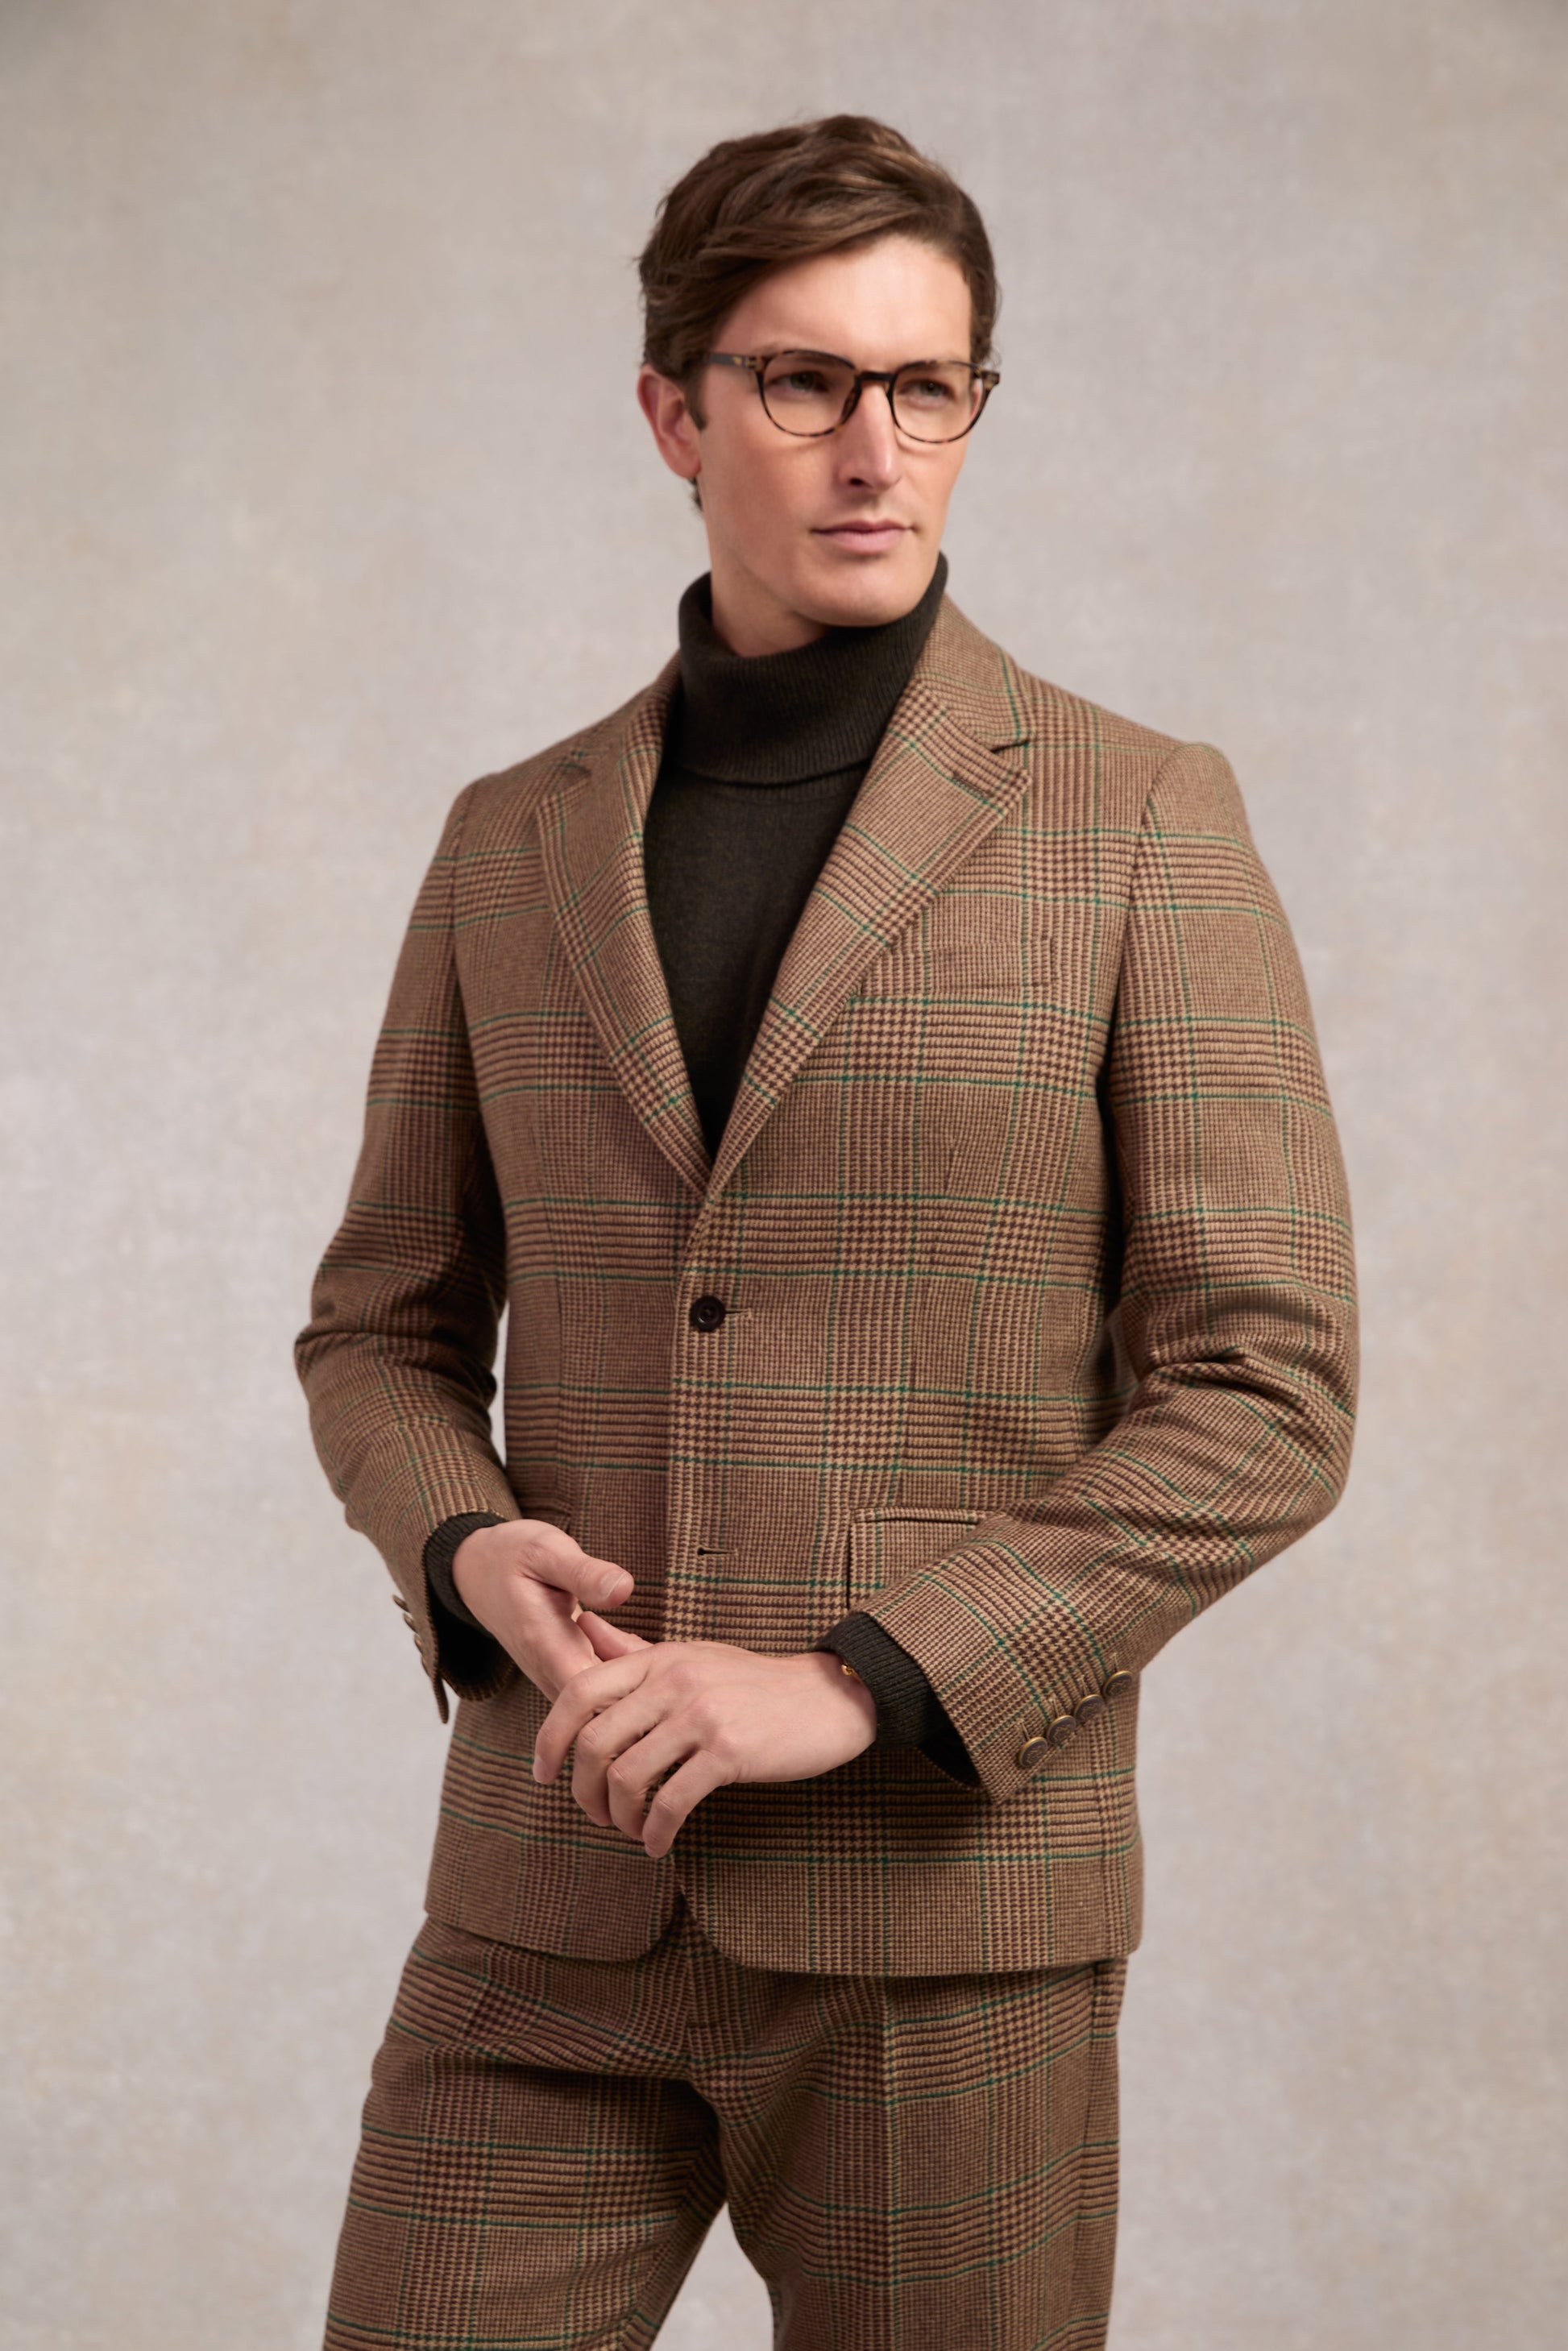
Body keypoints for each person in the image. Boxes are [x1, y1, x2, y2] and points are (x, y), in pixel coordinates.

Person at [296, 112, 1358, 2351]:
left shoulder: (1138, 826)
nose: (876, 450)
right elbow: (377, 1327)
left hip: (942, 1917)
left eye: (929, 386)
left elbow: (1265, 1393)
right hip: (550, 1891)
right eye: (804, 382)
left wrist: (859, 1679)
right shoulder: (508, 843)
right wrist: (460, 1548)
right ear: (674, 414)